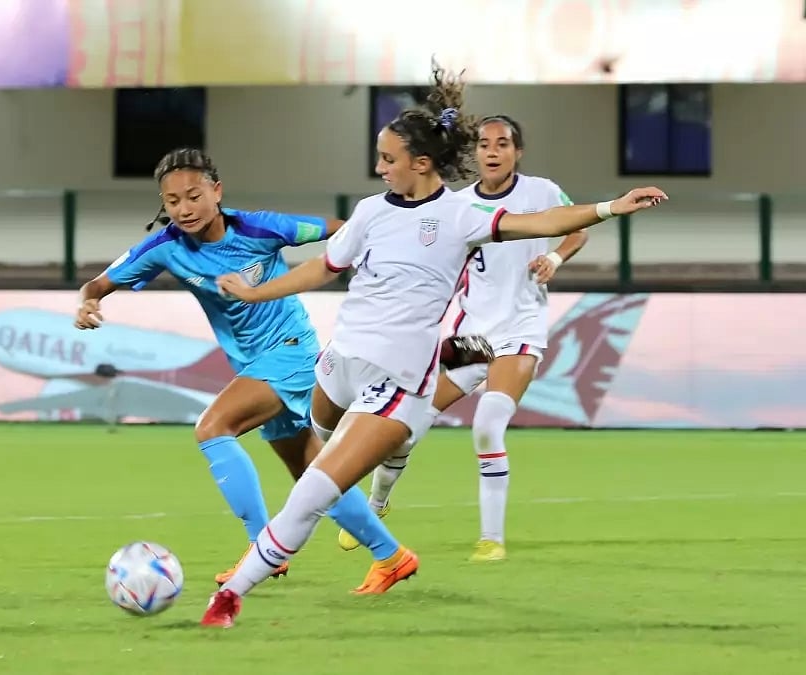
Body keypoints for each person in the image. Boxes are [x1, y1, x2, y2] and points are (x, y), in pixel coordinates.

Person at [206, 64, 666, 627]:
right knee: (315, 461)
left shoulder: (461, 214)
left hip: (397, 382)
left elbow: (544, 220)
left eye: (388, 159)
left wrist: (611, 207)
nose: (380, 168)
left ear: (421, 163)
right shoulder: (370, 211)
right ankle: (389, 544)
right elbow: (324, 267)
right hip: (339, 363)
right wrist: (256, 293)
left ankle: (231, 596)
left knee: (314, 492)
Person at [75, 147, 419, 593]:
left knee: (212, 427)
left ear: (216, 191)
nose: (184, 208)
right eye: (173, 201)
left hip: (291, 351)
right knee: (313, 471)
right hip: (253, 364)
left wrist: (386, 264)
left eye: (193, 196)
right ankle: (391, 556)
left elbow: (343, 230)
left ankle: (262, 549)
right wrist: (88, 303)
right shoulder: (165, 247)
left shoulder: (259, 228)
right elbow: (98, 284)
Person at [336, 114, 589, 563]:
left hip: (519, 332)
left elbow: (577, 228)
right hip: (472, 337)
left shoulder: (542, 192)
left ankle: (491, 539)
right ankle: (375, 506)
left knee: (488, 423)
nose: (492, 151)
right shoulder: (458, 206)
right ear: (474, 152)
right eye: (485, 144)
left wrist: (554, 258)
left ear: (517, 152)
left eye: (503, 143)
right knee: (404, 428)